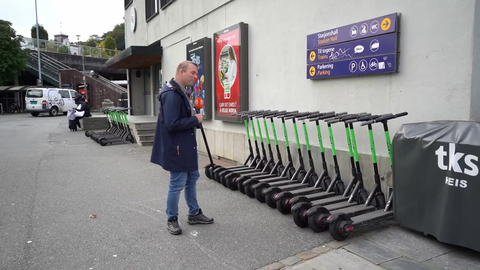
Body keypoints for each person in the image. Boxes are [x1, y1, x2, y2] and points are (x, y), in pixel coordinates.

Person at [150, 61, 214, 235]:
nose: (195, 77)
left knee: (192, 178)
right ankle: (172, 219)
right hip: (177, 148)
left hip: (186, 145)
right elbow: (172, 124)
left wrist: (194, 117)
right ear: (181, 71)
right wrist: (196, 119)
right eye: (192, 73)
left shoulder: (180, 91)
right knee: (177, 183)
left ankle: (194, 213)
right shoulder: (171, 94)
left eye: (196, 73)